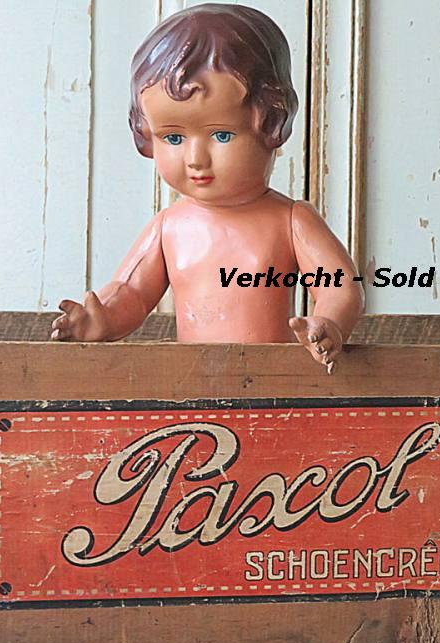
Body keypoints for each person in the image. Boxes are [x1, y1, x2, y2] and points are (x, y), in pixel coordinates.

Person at [51, 3, 364, 373]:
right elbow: (131, 291)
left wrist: (328, 324)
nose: (195, 159)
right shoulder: (170, 227)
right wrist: (102, 318)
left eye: (221, 134)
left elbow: (340, 287)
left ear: (272, 123)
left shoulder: (290, 221)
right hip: (193, 383)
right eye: (173, 137)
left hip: (275, 381)